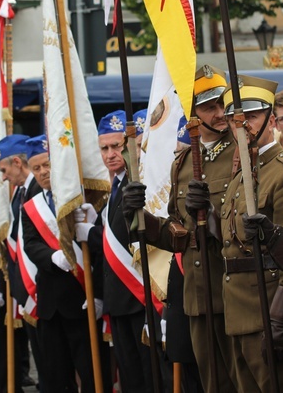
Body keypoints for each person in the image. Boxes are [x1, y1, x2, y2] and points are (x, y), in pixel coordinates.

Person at [122, 65, 239, 392]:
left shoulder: (242, 153)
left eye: (222, 104)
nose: (219, 113)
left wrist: (211, 215)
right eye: (208, 107)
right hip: (197, 295)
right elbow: (178, 234)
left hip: (235, 291)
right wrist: (137, 217)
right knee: (209, 383)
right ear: (192, 114)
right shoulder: (185, 163)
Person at [215, 75, 283, 392]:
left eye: (251, 116)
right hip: (238, 313)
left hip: (267, 309)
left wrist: (281, 318)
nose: (240, 125)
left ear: (272, 120)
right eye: (233, 118)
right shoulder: (242, 173)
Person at [76, 110, 159, 392]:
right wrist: (99, 294)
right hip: (119, 297)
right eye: (105, 148)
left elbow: (128, 236)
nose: (111, 154)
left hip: (140, 297)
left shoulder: (140, 181)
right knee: (130, 375)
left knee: (150, 374)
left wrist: (93, 233)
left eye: (117, 146)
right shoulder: (115, 186)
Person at [21, 134, 111, 393]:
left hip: (83, 296)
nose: (43, 172)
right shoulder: (32, 206)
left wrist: (99, 294)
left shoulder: (81, 197)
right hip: (50, 302)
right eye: (36, 168)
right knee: (55, 373)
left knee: (93, 371)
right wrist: (53, 257)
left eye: (47, 164)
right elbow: (30, 244)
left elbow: (99, 250)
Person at [0, 133, 43, 390]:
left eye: (3, 170)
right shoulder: (19, 192)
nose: (3, 177)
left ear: (16, 162)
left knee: (49, 358)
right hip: (25, 284)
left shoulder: (37, 189)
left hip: (42, 285)